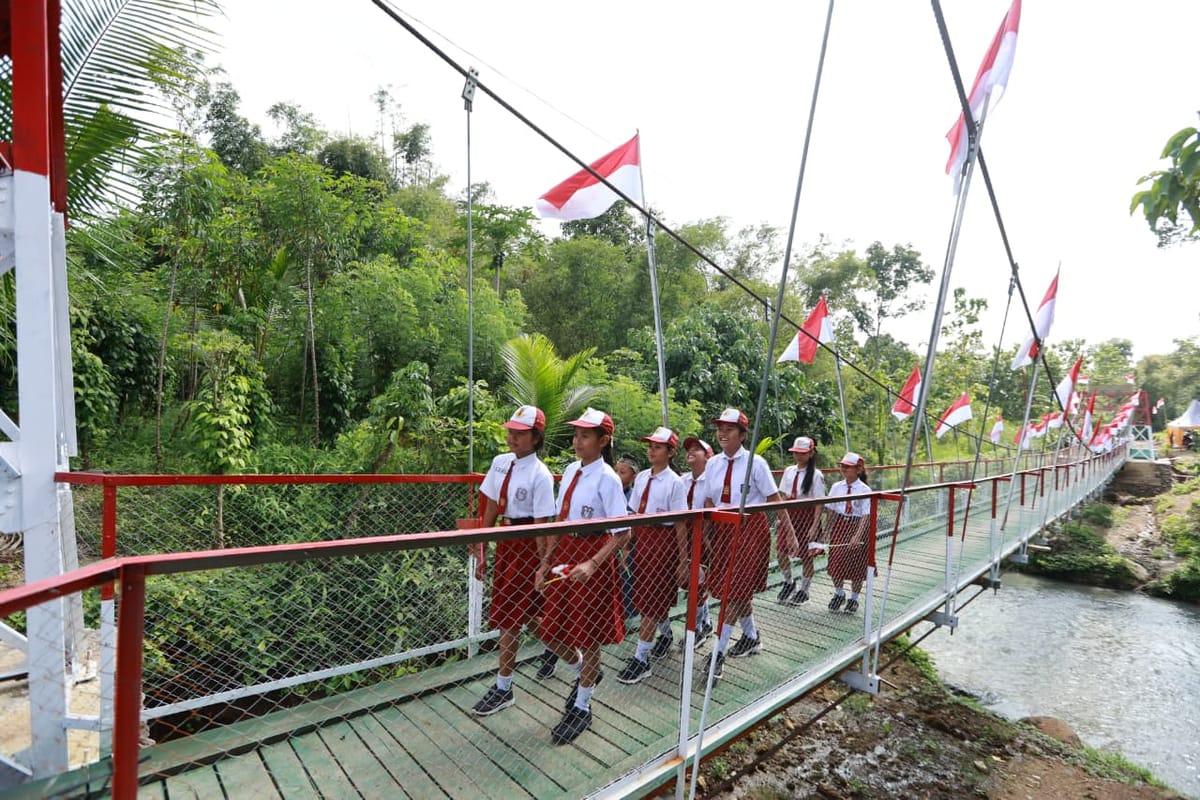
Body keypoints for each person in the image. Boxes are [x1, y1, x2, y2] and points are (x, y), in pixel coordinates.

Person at [535, 407, 630, 745]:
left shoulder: (608, 479)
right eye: (576, 434)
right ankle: (584, 674)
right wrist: (545, 561)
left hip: (593, 557)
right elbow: (561, 521)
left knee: (588, 636)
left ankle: (582, 705)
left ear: (603, 441)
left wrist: (593, 563)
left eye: (585, 435)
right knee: (551, 630)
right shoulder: (571, 470)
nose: (577, 440)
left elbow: (622, 532)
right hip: (565, 555)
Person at [470, 406, 557, 716]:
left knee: (510, 617)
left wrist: (543, 564)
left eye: (519, 434)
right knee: (529, 618)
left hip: (527, 545)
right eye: (510, 432)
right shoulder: (500, 463)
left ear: (535, 438)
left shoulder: (540, 474)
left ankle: (504, 686)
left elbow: (543, 524)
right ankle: (577, 662)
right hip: (507, 543)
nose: (512, 438)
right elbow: (491, 505)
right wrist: (481, 544)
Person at [699, 408, 797, 682]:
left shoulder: (756, 463)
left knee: (732, 591)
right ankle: (751, 637)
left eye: (729, 429)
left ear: (742, 435)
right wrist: (708, 533)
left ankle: (717, 652)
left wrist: (788, 532)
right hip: (722, 529)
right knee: (738, 591)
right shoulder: (713, 464)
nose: (722, 433)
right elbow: (708, 500)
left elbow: (774, 498)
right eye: (720, 428)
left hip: (749, 531)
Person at [616, 427, 688, 684]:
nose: (651, 450)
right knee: (647, 595)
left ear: (670, 452)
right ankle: (665, 634)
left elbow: (680, 523)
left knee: (651, 599)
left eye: (658, 447)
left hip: (662, 543)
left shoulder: (675, 482)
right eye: (650, 445)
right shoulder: (643, 477)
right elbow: (633, 513)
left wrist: (682, 559)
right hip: (642, 540)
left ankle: (641, 658)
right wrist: (626, 544)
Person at [777, 436, 826, 606]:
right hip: (789, 515)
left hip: (806, 516)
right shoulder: (789, 471)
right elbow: (782, 495)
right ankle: (789, 582)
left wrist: (814, 525)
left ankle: (805, 590)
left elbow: (819, 501)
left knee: (806, 556)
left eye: (802, 453)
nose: (798, 456)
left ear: (811, 453)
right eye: (796, 452)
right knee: (781, 551)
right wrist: (780, 517)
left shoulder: (816, 475)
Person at [824, 452, 872, 614]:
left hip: (857, 524)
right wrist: (826, 531)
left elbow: (866, 515)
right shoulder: (837, 487)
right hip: (840, 524)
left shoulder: (865, 490)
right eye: (842, 466)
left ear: (858, 470)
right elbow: (831, 510)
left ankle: (854, 598)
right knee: (836, 561)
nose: (843, 469)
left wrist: (857, 536)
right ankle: (839, 593)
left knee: (856, 565)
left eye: (847, 467)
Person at [679, 436, 715, 647]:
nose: (691, 451)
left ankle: (699, 627)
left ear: (707, 457)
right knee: (689, 582)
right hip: (685, 535)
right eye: (689, 449)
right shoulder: (682, 480)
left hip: (703, 536)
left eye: (697, 449)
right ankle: (706, 621)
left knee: (698, 582)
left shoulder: (711, 482)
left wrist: (707, 539)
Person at [614, 454, 640, 620]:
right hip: (608, 541)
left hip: (626, 545)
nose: (617, 475)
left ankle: (628, 614)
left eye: (622, 472)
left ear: (633, 477)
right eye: (616, 471)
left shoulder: (633, 496)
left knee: (626, 578)